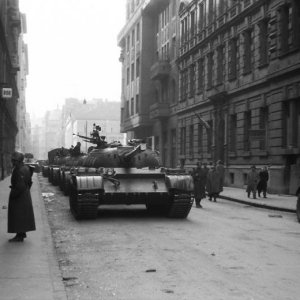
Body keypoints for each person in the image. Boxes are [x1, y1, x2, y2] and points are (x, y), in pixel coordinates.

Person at [7, 151, 36, 242]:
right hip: (24, 194)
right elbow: (29, 182)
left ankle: (19, 236)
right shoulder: (25, 168)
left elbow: (20, 185)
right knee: (21, 216)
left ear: (18, 161)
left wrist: (13, 194)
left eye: (14, 160)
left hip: (20, 196)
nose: (13, 162)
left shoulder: (20, 170)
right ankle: (21, 233)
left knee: (18, 215)